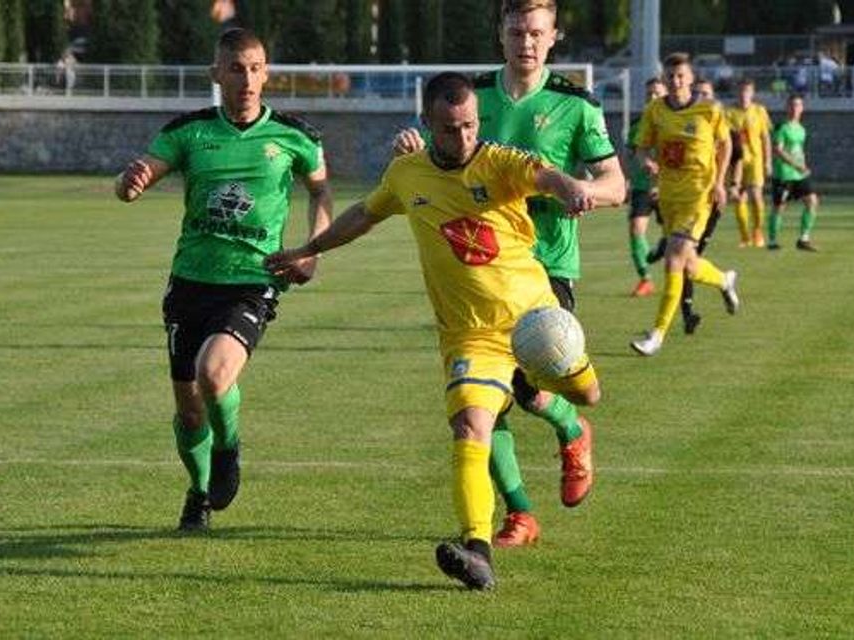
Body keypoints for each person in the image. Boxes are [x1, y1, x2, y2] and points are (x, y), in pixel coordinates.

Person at [267, 72, 605, 590]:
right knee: (472, 426)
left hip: (536, 321)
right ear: (427, 124)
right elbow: (362, 214)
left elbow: (548, 178)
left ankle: (573, 426)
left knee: (588, 394)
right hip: (469, 336)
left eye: (470, 125)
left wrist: (574, 189)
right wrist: (308, 249)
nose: (463, 137)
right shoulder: (407, 174)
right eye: (450, 129)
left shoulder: (499, 161)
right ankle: (477, 549)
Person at [392, 0, 625, 549]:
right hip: (476, 266)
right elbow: (433, 157)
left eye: (536, 33)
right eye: (517, 31)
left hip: (545, 266)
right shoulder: (470, 97)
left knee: (523, 385)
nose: (526, 42)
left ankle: (570, 425)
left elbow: (617, 184)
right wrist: (408, 146)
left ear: (554, 38)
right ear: (501, 34)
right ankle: (519, 512)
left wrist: (584, 191)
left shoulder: (576, 105)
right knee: (482, 399)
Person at [114, 28, 333, 532]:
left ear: (267, 73)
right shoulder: (189, 131)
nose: (248, 79)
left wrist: (311, 251)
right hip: (190, 282)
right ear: (217, 74)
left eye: (256, 68)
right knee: (189, 412)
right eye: (236, 68)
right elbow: (137, 178)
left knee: (215, 374)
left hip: (252, 281)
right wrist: (130, 183)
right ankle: (198, 493)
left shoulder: (296, 136)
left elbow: (320, 194)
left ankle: (228, 449)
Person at [630, 53, 740, 357]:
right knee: (688, 262)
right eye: (671, 76)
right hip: (668, 196)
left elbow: (726, 144)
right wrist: (647, 163)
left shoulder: (709, 109)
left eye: (681, 76)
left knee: (674, 257)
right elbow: (640, 149)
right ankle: (724, 279)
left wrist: (719, 182)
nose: (676, 81)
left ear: (691, 79)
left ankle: (657, 334)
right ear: (665, 79)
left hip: (698, 196)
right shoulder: (654, 110)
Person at [627, 77, 667, 299]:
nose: (652, 97)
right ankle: (645, 279)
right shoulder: (637, 124)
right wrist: (624, 178)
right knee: (636, 229)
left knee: (673, 235)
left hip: (669, 188)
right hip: (642, 186)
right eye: (649, 94)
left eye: (657, 93)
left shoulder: (672, 123)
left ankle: (676, 273)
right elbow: (630, 154)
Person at [768, 94, 820, 252]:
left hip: (799, 175)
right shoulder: (782, 128)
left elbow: (799, 150)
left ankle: (803, 239)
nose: (794, 109)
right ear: (787, 108)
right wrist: (796, 165)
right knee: (779, 208)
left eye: (797, 105)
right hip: (783, 174)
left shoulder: (801, 129)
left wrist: (803, 166)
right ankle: (772, 241)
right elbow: (778, 150)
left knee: (812, 201)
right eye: (791, 105)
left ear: (802, 108)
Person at [725, 78, 772, 248]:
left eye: (747, 91)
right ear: (736, 92)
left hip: (755, 160)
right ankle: (745, 237)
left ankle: (757, 231)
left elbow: (765, 138)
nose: (743, 95)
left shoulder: (759, 111)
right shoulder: (729, 113)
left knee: (756, 197)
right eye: (740, 91)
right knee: (737, 198)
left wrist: (768, 162)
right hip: (737, 161)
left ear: (752, 93)